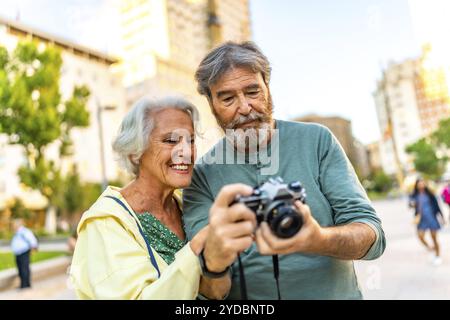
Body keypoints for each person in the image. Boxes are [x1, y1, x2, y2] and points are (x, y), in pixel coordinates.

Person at [183, 41, 386, 299]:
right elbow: (210, 292)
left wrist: (317, 239)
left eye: (253, 91)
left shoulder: (317, 141)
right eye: (228, 98)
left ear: (268, 87)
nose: (244, 107)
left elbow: (372, 236)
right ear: (212, 105)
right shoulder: (201, 175)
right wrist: (214, 260)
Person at [70, 96, 255, 299]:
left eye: (191, 140)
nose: (186, 152)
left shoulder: (190, 206)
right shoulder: (105, 222)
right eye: (171, 140)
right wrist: (198, 247)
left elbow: (215, 290)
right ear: (134, 152)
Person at [410, 178, 444, 266]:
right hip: (421, 220)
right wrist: (412, 204)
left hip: (431, 218)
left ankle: (438, 256)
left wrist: (442, 217)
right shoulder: (414, 195)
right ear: (416, 185)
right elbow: (410, 204)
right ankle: (430, 248)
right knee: (420, 236)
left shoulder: (430, 194)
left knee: (434, 238)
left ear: (425, 184)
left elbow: (437, 206)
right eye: (419, 184)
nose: (421, 185)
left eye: (422, 183)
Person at [11, 218, 38, 289]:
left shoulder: (24, 231)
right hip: (18, 253)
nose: (12, 226)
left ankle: (25, 285)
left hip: (24, 252)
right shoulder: (17, 232)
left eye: (13, 224)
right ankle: (23, 284)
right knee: (20, 269)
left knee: (24, 269)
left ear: (18, 224)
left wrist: (32, 250)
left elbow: (32, 240)